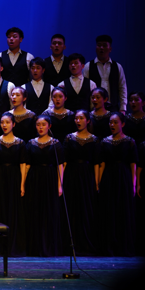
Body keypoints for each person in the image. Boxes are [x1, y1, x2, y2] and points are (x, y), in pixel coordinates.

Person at [24, 115, 65, 256]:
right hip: (34, 178)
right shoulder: (30, 143)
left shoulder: (55, 143)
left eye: (43, 124)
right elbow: (27, 165)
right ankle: (34, 248)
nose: (40, 127)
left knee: (49, 212)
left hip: (50, 178)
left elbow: (60, 165)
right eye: (38, 124)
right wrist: (23, 184)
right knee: (35, 211)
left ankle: (49, 246)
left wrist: (60, 185)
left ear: (49, 126)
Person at [98, 112, 137, 256]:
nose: (112, 125)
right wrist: (99, 182)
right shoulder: (105, 142)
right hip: (109, 177)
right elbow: (102, 163)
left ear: (123, 124)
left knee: (123, 209)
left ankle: (123, 246)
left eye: (115, 122)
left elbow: (133, 164)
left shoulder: (130, 141)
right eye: (110, 122)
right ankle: (109, 246)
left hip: (124, 177)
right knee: (110, 210)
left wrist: (134, 184)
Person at [0, 113, 26, 256]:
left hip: (14, 178)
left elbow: (23, 164)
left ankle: (12, 244)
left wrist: (22, 184)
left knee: (13, 209)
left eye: (8, 122)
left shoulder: (20, 143)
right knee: (0, 208)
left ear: (13, 124)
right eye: (2, 122)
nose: (4, 125)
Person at [63, 110, 100, 256]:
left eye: (81, 118)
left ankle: (85, 244)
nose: (78, 121)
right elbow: (65, 161)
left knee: (86, 208)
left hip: (87, 175)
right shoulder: (69, 138)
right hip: (72, 174)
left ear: (88, 120)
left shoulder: (94, 140)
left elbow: (96, 163)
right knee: (72, 208)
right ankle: (71, 244)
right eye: (76, 118)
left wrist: (96, 182)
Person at [83, 35, 127, 113]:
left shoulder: (117, 66)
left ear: (110, 49)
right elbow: (85, 89)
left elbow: (122, 88)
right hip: (94, 109)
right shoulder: (88, 66)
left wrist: (122, 108)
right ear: (95, 48)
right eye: (99, 45)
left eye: (104, 45)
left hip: (113, 108)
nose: (101, 48)